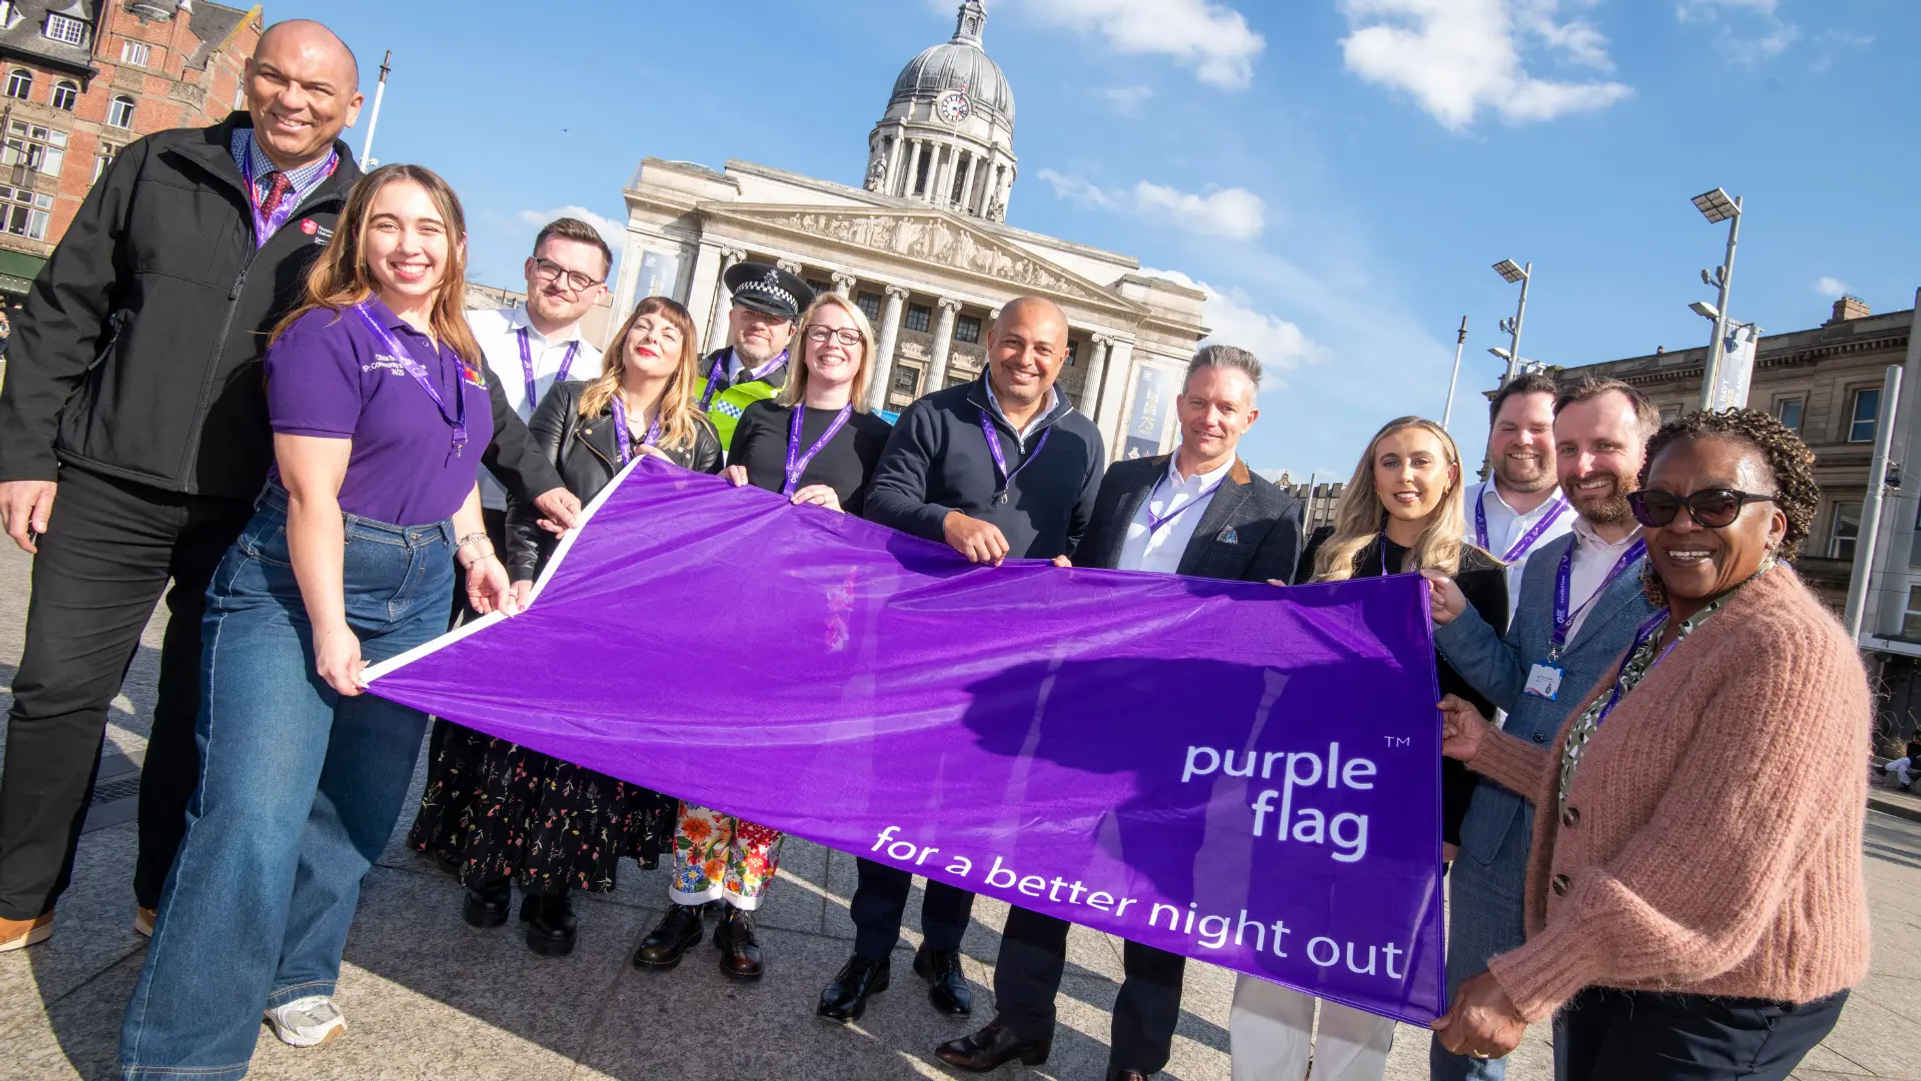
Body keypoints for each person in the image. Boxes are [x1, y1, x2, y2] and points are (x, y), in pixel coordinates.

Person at [0, 21, 572, 954]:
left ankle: (162, 892)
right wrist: (27, 453)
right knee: (58, 688)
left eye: (317, 90)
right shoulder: (159, 166)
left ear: (352, 106)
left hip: (247, 500)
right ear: (249, 77)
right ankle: (20, 890)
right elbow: (64, 310)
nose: (293, 101)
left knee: (197, 709)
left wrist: (538, 480)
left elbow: (458, 381)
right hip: (112, 475)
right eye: (275, 78)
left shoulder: (364, 214)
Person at [116, 164, 516, 1078]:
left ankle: (298, 972)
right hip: (298, 585)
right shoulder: (326, 333)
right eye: (388, 224)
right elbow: (310, 497)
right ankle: (180, 1056)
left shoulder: (456, 348)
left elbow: (454, 463)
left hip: (419, 587)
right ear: (357, 237)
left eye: (430, 228)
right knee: (251, 819)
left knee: (357, 812)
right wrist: (332, 626)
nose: (410, 245)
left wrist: (474, 548)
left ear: (457, 246)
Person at [1431, 408, 1869, 1081]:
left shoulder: (1785, 649)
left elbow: (1703, 863)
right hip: (1633, 967)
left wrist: (1526, 982)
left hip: (1725, 995)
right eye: (1660, 505)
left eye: (1716, 504)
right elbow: (1622, 790)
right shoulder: (1676, 626)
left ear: (1775, 524)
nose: (1683, 524)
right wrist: (1488, 750)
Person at [936, 345, 1303, 1080]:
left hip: (1180, 739)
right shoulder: (1125, 480)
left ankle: (1135, 1061)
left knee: (1154, 903)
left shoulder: (1272, 511)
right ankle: (1021, 1021)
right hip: (1087, 715)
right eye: (1198, 400)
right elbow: (1088, 571)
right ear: (1180, 403)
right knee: (1042, 874)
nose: (1209, 417)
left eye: (1226, 407)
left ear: (1250, 418)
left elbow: (1259, 644)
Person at [819, 295, 1103, 1024]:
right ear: (990, 341)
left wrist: (1070, 568)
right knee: (892, 802)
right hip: (919, 644)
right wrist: (946, 520)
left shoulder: (1081, 439)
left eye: (1042, 349)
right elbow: (883, 499)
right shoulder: (935, 413)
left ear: (1063, 358)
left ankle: (941, 948)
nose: (1025, 359)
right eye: (1013, 342)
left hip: (1010, 661)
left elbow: (1083, 536)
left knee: (967, 812)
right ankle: (870, 949)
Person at [410, 296, 720, 958]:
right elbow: (531, 493)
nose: (651, 337)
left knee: (581, 764)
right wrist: (523, 574)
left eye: (668, 333)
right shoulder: (573, 402)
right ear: (623, 337)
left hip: (624, 622)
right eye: (642, 325)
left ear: (683, 357)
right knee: (513, 749)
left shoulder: (697, 438)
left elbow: (692, 541)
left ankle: (554, 889)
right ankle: (489, 872)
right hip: (548, 596)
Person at [1226, 416, 1506, 1081]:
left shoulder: (1480, 576)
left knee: (1363, 976)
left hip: (1403, 812)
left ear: (1450, 475)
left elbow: (1475, 710)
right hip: (1309, 789)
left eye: (1420, 461)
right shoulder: (1330, 554)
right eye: (1389, 461)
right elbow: (1290, 677)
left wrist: (1448, 827)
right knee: (1272, 962)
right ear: (1371, 474)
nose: (1404, 476)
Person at [634, 290, 891, 981]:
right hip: (737, 612)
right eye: (822, 332)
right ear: (802, 343)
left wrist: (847, 513)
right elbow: (727, 495)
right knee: (706, 757)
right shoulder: (763, 414)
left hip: (816, 625)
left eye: (848, 336)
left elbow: (885, 531)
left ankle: (741, 909)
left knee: (771, 765)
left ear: (865, 353)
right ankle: (687, 900)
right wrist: (727, 484)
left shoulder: (877, 436)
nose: (832, 344)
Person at [1422, 377, 1662, 1081]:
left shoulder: (1678, 563)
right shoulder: (1550, 562)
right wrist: (1458, 620)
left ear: (1648, 451)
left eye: (1604, 446)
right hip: (1499, 836)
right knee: (1465, 1027)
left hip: (1603, 847)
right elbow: (1521, 685)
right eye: (1570, 448)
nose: (1583, 464)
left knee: (1595, 1054)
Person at [406, 216, 610, 879]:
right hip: (443, 516)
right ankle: (433, 820)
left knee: (483, 684)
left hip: (528, 537)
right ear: (529, 268)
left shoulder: (600, 373)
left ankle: (473, 825)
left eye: (579, 277)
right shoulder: (470, 330)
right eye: (551, 267)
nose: (561, 283)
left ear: (599, 293)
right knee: (424, 666)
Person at [1465, 373, 1572, 618]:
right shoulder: (1448, 508)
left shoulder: (1586, 525)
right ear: (1491, 433)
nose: (1523, 440)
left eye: (1539, 429)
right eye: (1509, 428)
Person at [695, 261, 815, 450]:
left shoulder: (800, 397)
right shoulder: (689, 374)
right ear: (732, 318)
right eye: (749, 314)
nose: (759, 325)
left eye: (772, 318)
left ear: (791, 333)